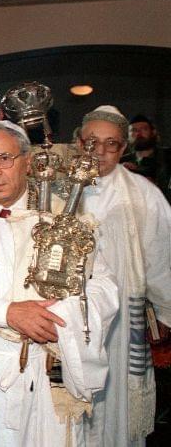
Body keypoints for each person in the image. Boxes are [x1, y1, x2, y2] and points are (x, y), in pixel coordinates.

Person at [0, 120, 119, 446]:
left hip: (47, 365)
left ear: (27, 161)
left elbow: (103, 288)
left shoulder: (65, 218)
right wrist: (7, 313)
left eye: (4, 158)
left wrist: (63, 318)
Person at [77, 106, 171, 447]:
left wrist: (164, 315)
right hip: (69, 321)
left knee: (116, 415)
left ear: (123, 148)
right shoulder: (55, 190)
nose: (100, 152)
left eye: (111, 144)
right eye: (92, 142)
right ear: (78, 142)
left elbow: (162, 259)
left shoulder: (144, 195)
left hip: (120, 325)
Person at [121, 114, 171, 201]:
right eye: (134, 130)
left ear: (153, 132)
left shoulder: (168, 156)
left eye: (144, 129)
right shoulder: (121, 161)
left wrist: (154, 186)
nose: (139, 134)